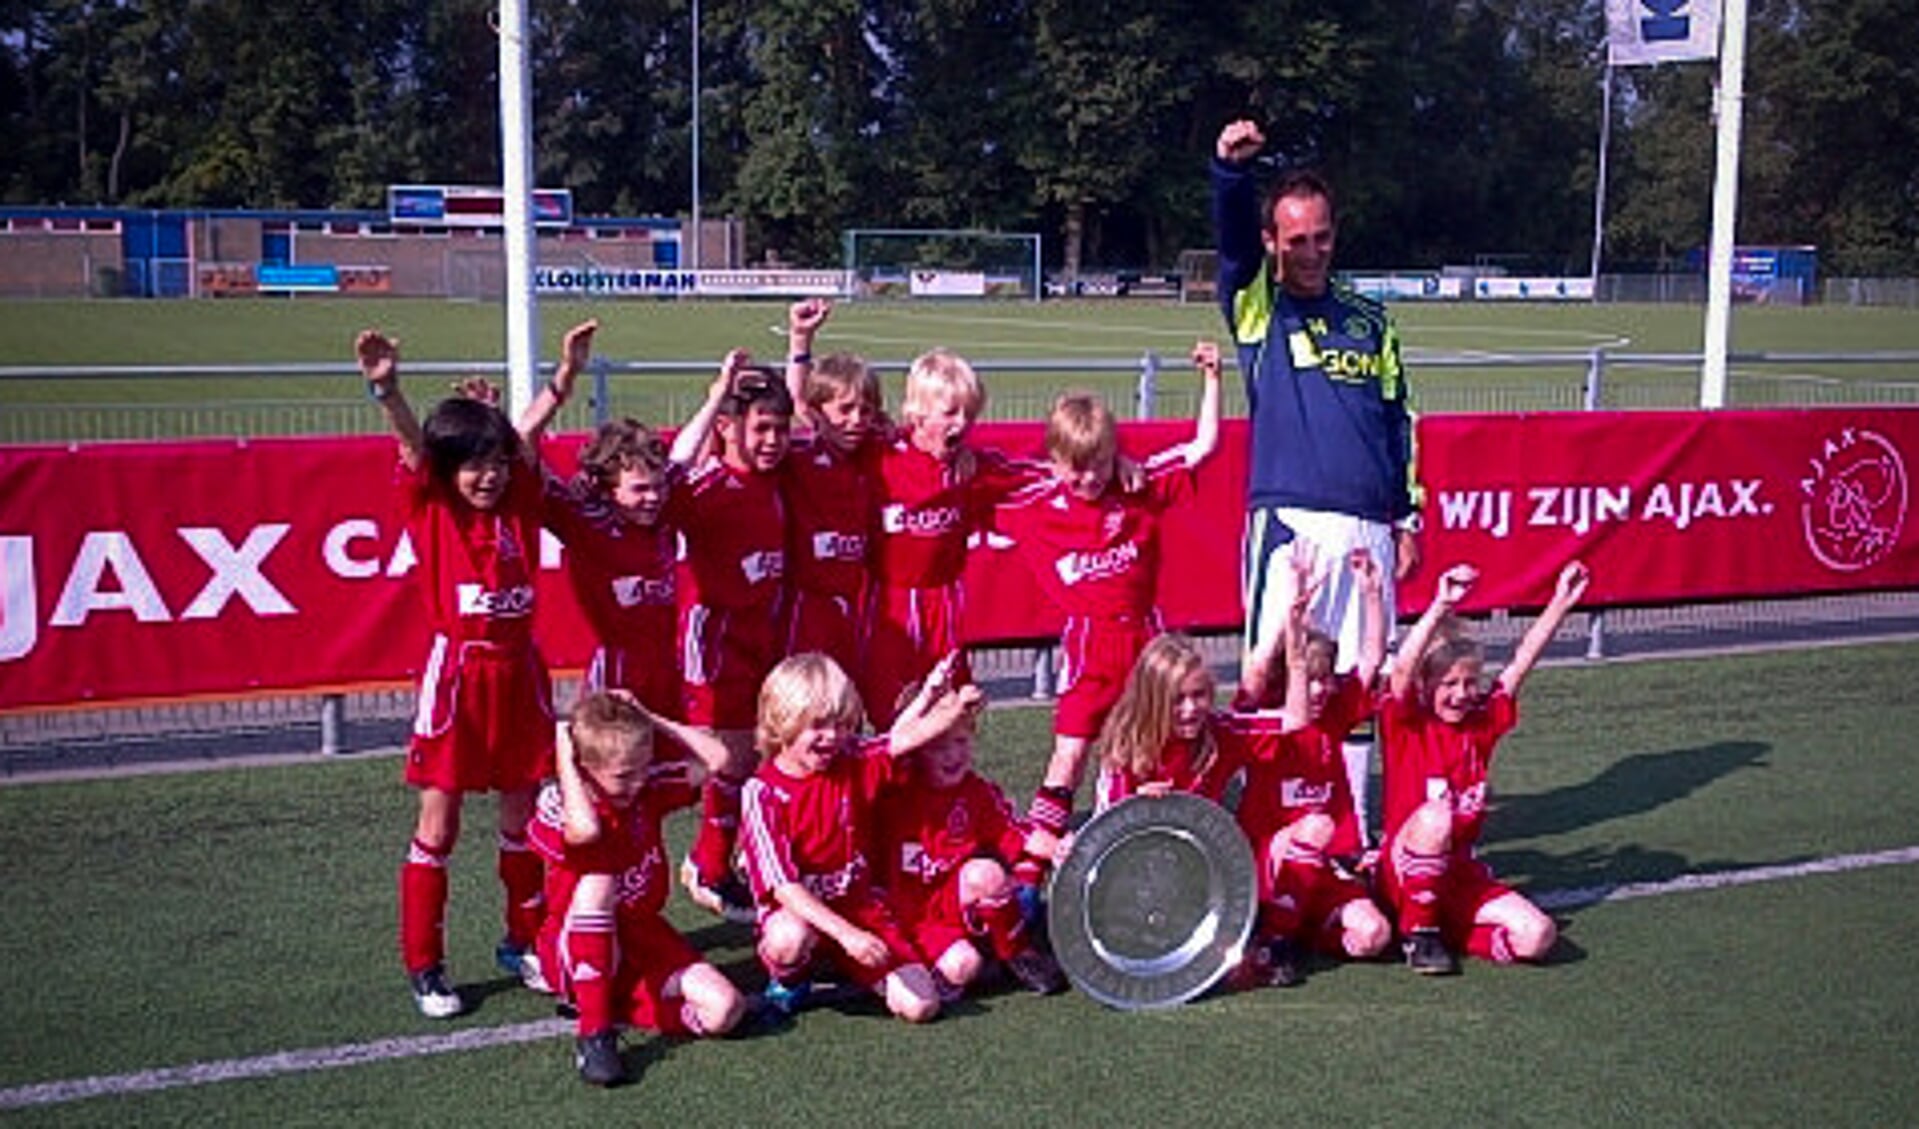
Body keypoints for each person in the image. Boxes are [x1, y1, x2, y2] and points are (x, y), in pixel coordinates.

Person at [1212, 119, 1422, 849]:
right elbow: (1233, 248)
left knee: (1357, 686)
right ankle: (1243, 829)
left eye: (1320, 237)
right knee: (1265, 677)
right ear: (1274, 241)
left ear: (1335, 234)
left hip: (1367, 523)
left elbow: (1400, 418)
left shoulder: (1372, 320)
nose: (1309, 251)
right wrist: (1231, 176)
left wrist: (1406, 517)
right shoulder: (1256, 308)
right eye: (1294, 239)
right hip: (1289, 523)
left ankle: (1351, 832)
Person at [356, 329, 553, 1019]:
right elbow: (417, 448)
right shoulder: (432, 506)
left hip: (520, 675)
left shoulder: (520, 504)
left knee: (523, 817)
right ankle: (425, 964)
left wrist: (557, 385)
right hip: (458, 681)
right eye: (472, 465)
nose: (488, 475)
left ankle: (522, 940)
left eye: (496, 462)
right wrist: (388, 390)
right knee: (437, 826)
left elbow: (524, 441)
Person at [997, 341, 1221, 863]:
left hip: (1146, 640)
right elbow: (974, 480)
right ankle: (1033, 868)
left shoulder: (1135, 485)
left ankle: (1150, 843)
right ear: (1054, 462)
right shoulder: (1034, 504)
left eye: (1099, 463)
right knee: (1070, 753)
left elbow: (1204, 447)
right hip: (1089, 641)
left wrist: (1212, 378)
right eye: (1076, 468)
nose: (1090, 478)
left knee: (1156, 744)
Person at [738, 652, 980, 1024]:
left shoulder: (850, 759)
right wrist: (847, 935)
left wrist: (940, 700)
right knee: (789, 937)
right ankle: (792, 980)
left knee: (921, 1007)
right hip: (803, 914)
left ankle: (849, 968)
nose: (832, 736)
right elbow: (784, 887)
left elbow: (900, 739)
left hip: (858, 907)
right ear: (781, 721)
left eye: (840, 724)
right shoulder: (763, 792)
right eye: (817, 725)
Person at [1377, 559, 1591, 974]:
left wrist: (1560, 603)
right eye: (1448, 685)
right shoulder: (1407, 724)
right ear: (1427, 687)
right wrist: (1440, 604)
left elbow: (1519, 664)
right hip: (1400, 871)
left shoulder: (1481, 724)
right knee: (1437, 816)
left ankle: (1448, 931)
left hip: (1457, 874)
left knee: (1538, 937)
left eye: (1468, 683)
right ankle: (1418, 934)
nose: (1460, 695)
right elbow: (1402, 670)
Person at [529, 692, 748, 1087]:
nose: (638, 781)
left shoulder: (646, 788)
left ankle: (613, 1003)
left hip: (643, 934)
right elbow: (586, 831)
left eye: (643, 768)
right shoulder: (560, 801)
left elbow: (719, 759)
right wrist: (565, 756)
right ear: (584, 767)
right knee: (598, 882)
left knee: (725, 1009)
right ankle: (594, 1034)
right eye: (623, 775)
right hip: (575, 942)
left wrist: (651, 715)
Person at [662, 353, 795, 923]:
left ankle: (716, 860)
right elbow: (672, 467)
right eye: (760, 428)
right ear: (727, 428)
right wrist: (717, 394)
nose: (773, 440)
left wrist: (798, 345)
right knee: (723, 760)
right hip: (712, 634)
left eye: (780, 429)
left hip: (762, 629)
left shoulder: (775, 479)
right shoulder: (705, 483)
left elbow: (797, 403)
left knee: (751, 756)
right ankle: (708, 866)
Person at [860, 349, 1051, 728]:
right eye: (949, 413)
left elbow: (1059, 472)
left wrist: (1115, 463)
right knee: (893, 720)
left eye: (969, 414)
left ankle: (947, 786)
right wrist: (801, 343)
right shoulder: (878, 454)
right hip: (888, 607)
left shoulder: (973, 467)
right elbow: (812, 413)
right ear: (916, 411)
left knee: (956, 716)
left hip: (944, 603)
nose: (961, 423)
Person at [1234, 544, 1394, 987]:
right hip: (1269, 859)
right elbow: (1256, 673)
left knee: (1373, 936)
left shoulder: (1336, 712)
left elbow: (1371, 661)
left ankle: (1293, 932)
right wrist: (1291, 613)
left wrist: (1372, 594)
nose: (1322, 688)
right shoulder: (1265, 720)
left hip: (1322, 864)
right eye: (1311, 678)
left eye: (1327, 678)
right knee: (1315, 826)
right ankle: (1274, 934)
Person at [873, 685, 1067, 998]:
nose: (953, 755)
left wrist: (1060, 849)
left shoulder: (976, 792)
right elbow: (886, 750)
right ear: (915, 749)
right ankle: (922, 973)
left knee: (987, 875)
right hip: (901, 914)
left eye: (961, 741)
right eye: (938, 747)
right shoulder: (892, 789)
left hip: (950, 905)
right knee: (963, 965)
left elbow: (1018, 834)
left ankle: (1015, 954)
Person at [1091, 631, 1307, 813]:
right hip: (1138, 857)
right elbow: (1102, 837)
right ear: (1152, 701)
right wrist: (1135, 807)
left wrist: (1297, 658)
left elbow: (1295, 721)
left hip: (1201, 855)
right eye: (1177, 699)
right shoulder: (1125, 748)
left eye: (1198, 695)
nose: (1191, 708)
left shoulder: (1220, 732)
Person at [778, 298, 880, 678]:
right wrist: (800, 341)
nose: (857, 421)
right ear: (818, 413)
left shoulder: (875, 454)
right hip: (804, 606)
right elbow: (794, 403)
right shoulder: (801, 455)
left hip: (855, 604)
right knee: (803, 707)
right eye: (846, 409)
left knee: (846, 710)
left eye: (865, 411)